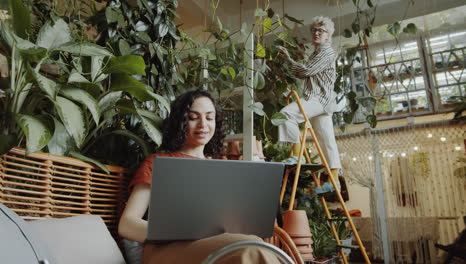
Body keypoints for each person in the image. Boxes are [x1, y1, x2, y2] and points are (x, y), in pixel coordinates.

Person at [118, 88, 280, 264]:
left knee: (254, 244)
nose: (203, 124)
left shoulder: (222, 169)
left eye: (209, 118)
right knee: (249, 248)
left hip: (219, 243)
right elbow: (127, 225)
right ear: (180, 121)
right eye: (193, 117)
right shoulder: (157, 162)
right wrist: (177, 232)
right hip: (166, 250)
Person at [277, 16, 342, 193]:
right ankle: (334, 179)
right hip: (324, 101)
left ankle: (297, 155)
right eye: (314, 30)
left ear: (328, 35)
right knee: (326, 139)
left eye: (321, 31)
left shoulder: (326, 53)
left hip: (319, 99)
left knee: (286, 114)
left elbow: (306, 72)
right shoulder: (317, 53)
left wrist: (288, 59)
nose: (316, 33)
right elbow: (306, 73)